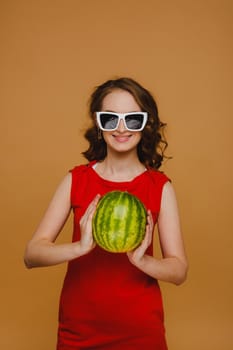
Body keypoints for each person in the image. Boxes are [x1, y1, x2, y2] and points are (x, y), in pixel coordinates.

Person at [24, 77, 188, 350]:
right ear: (99, 125)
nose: (121, 128)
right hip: (79, 331)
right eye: (110, 118)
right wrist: (80, 247)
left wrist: (142, 262)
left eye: (132, 119)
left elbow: (179, 269)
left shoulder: (160, 187)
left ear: (145, 125)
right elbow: (31, 255)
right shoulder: (76, 180)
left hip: (141, 333)